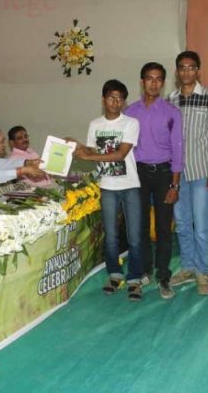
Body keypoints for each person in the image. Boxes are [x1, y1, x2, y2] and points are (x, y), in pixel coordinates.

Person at [73, 79, 143, 301]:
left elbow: (120, 154)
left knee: (135, 236)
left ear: (124, 101)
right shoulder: (95, 124)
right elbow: (91, 150)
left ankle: (134, 278)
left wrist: (88, 156)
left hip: (130, 185)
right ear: (104, 100)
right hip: (107, 186)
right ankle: (115, 274)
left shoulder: (131, 123)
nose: (116, 102)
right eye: (112, 98)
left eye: (120, 98)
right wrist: (73, 145)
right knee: (110, 236)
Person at [167, 51, 208, 296]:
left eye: (191, 67)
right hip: (177, 174)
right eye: (182, 67)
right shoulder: (170, 100)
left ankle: (202, 270)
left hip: (202, 172)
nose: (186, 72)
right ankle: (187, 267)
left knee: (202, 224)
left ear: (198, 71)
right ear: (177, 71)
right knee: (182, 223)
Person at [124, 62, 184, 300]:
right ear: (142, 82)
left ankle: (163, 276)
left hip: (164, 173)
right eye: (149, 78)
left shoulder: (171, 113)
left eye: (159, 79)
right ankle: (145, 270)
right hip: (137, 173)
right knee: (139, 225)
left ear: (163, 83)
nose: (154, 83)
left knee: (163, 227)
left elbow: (178, 150)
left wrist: (175, 184)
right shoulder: (130, 112)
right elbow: (122, 148)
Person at [0, 128, 28, 198]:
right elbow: (0, 194)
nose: (4, 145)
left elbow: (19, 184)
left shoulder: (1, 162)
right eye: (1, 142)